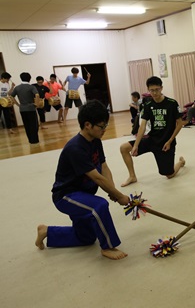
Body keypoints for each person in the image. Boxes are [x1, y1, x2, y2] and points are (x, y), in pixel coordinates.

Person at [35, 100, 130, 260]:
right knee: (99, 206)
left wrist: (113, 191)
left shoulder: (95, 141)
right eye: (101, 126)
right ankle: (108, 246)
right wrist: (119, 196)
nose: (105, 129)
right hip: (67, 196)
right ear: (87, 125)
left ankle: (46, 231)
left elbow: (104, 167)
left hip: (84, 194)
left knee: (85, 238)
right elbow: (96, 177)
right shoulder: (75, 148)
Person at [120, 76, 185, 187]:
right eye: (152, 90)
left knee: (169, 174)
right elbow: (143, 126)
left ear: (161, 88)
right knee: (124, 148)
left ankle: (180, 162)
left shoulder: (172, 103)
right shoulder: (148, 105)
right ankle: (132, 176)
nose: (154, 93)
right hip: (152, 140)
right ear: (148, 90)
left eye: (157, 90)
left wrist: (170, 141)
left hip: (166, 143)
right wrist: (135, 145)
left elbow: (179, 124)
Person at [10, 72, 40, 144]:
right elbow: (37, 95)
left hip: (22, 109)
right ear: (29, 78)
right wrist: (37, 104)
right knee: (34, 124)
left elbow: (11, 96)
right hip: (31, 108)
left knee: (26, 125)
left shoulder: (17, 87)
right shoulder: (31, 87)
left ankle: (30, 140)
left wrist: (18, 104)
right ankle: (34, 140)